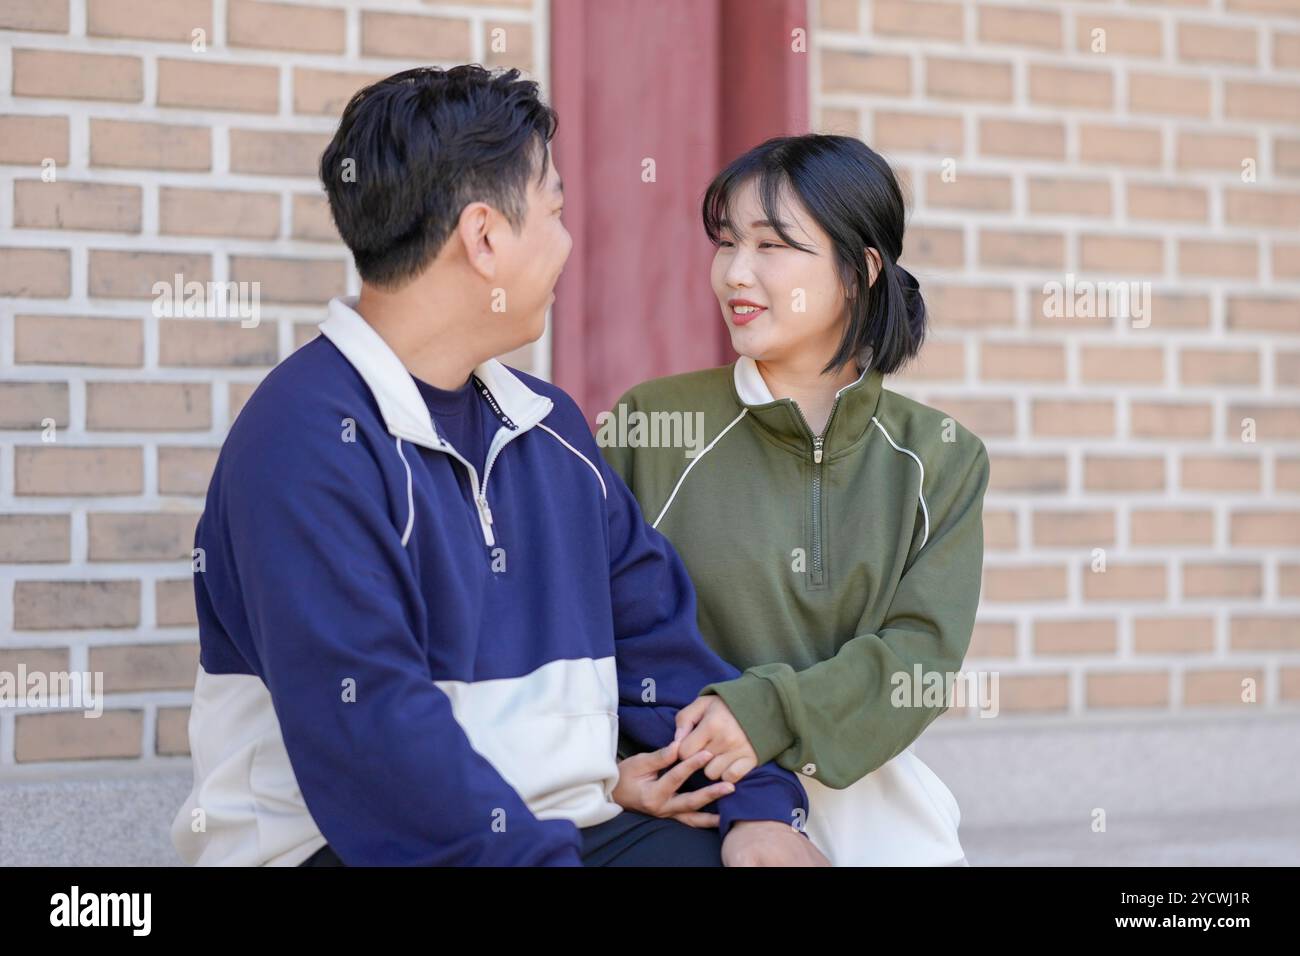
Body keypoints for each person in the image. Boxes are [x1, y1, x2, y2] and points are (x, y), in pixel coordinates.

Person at [169, 65, 825, 867]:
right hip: (352, 850)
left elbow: (662, 653)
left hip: (558, 832)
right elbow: (378, 750)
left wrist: (761, 810)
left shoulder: (551, 430)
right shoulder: (304, 444)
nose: (568, 239)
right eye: (553, 209)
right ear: (484, 238)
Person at [601, 134, 989, 866]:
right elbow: (592, 630)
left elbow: (918, 664)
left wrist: (767, 713)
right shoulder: (648, 425)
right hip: (684, 795)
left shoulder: (941, 457)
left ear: (858, 271)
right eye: (726, 243)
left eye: (773, 246)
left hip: (866, 795)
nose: (736, 274)